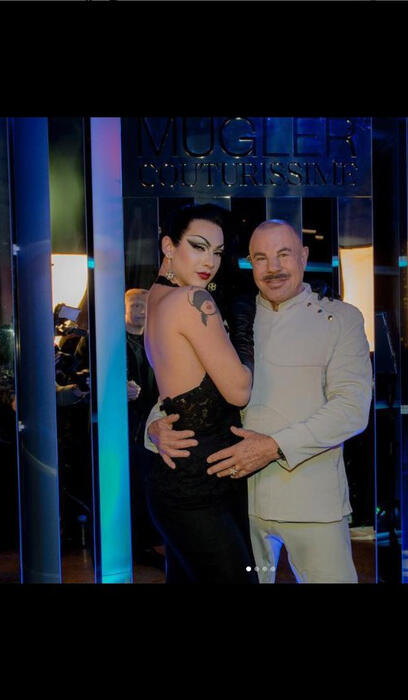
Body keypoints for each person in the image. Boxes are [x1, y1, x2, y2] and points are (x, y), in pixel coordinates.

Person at [148, 219, 373, 583]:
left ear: (304, 256)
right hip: (239, 501)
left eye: (284, 255)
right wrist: (154, 428)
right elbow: (183, 385)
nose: (273, 268)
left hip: (311, 504)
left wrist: (273, 447)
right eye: (261, 258)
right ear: (249, 263)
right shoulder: (229, 314)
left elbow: (351, 409)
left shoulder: (341, 319)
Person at [143, 203, 257, 583]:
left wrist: (154, 426)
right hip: (197, 486)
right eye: (198, 246)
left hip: (182, 479)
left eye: (218, 252)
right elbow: (239, 391)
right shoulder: (193, 300)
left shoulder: (154, 298)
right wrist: (243, 334)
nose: (210, 261)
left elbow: (170, 388)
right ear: (168, 246)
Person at [124, 288, 162, 567]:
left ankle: (147, 541)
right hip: (124, 428)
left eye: (145, 305)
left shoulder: (156, 340)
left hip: (152, 425)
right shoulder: (109, 341)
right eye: (136, 305)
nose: (141, 310)